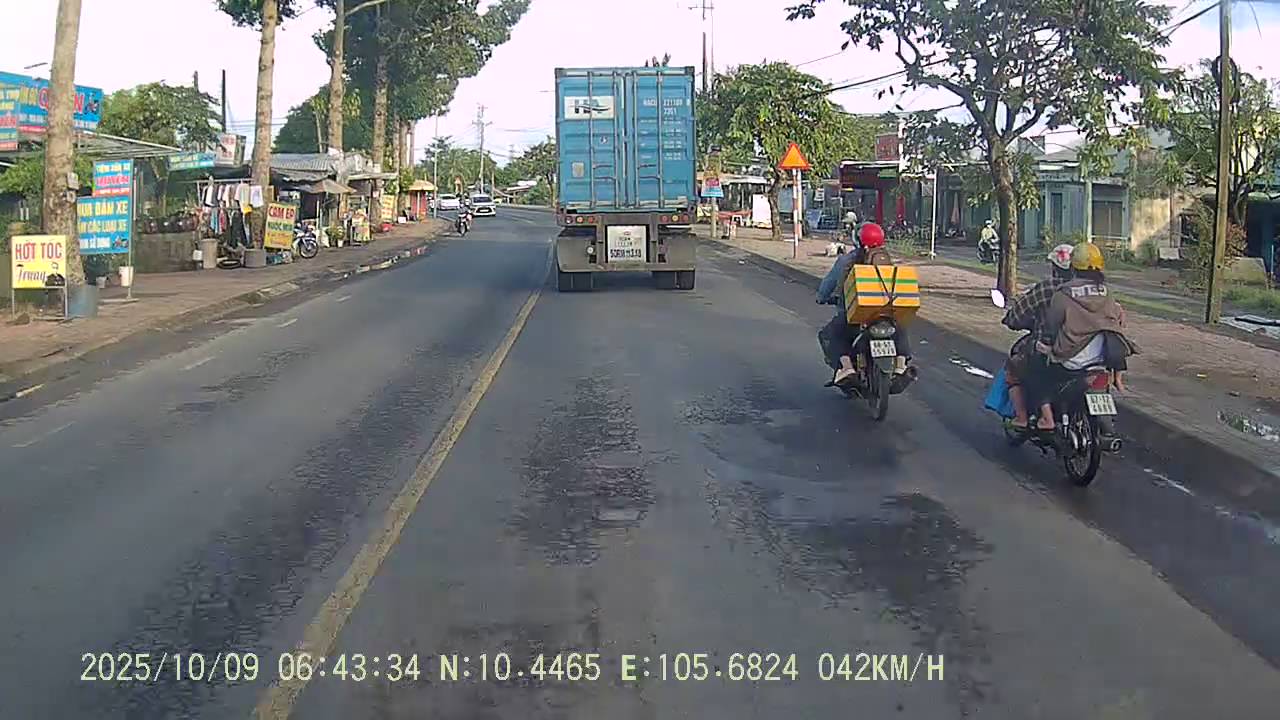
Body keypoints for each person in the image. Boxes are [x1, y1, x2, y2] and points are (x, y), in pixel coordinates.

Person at [1024, 242, 1138, 431]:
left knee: (1036, 370)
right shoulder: (1107, 293)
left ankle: (1047, 418)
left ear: (1073, 266)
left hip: (1071, 361)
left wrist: (1043, 344)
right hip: (1102, 358)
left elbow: (1051, 327)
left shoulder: (1064, 293)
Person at [816, 222, 911, 384]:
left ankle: (846, 367)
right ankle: (901, 365)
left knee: (831, 334)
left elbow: (828, 284)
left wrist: (822, 297)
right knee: (899, 328)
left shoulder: (846, 260)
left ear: (858, 240)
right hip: (884, 313)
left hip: (856, 316)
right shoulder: (887, 260)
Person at [1001, 244, 1075, 429]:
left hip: (1050, 349)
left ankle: (1022, 418)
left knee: (1015, 368)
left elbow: (1018, 314)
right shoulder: (1091, 290)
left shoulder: (1047, 288)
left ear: (1054, 267)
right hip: (1086, 350)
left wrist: (1012, 318)